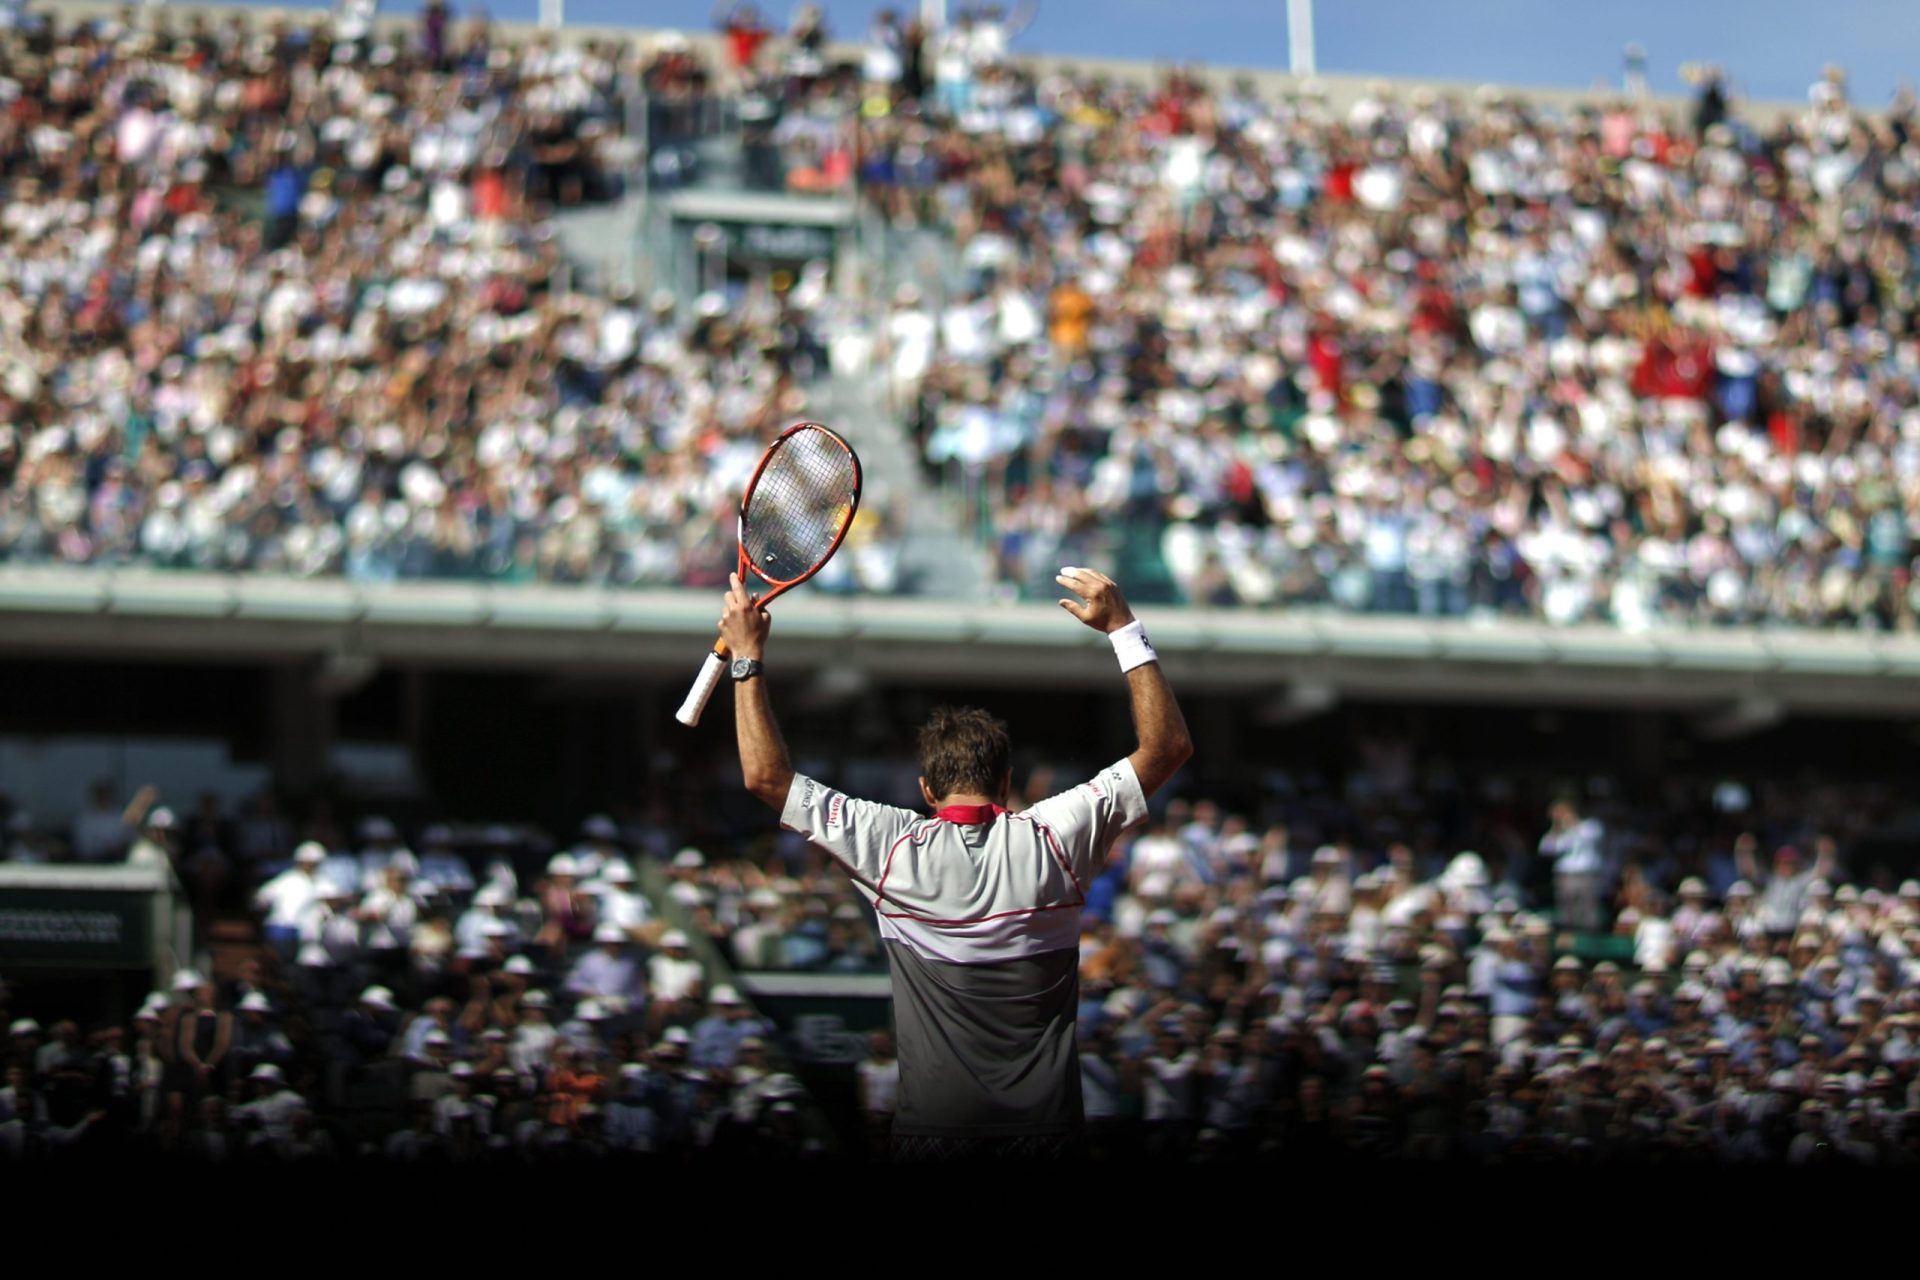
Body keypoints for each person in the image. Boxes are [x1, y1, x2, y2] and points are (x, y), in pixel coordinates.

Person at [720, 565, 1192, 1161]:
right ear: (1007, 781)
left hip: (932, 1138)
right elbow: (1167, 749)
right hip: (1048, 1138)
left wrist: (746, 656)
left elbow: (765, 777)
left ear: (925, 788)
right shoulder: (1057, 836)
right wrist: (1124, 626)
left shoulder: (888, 846)